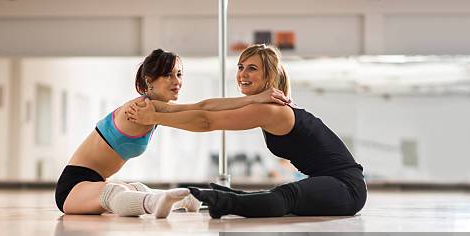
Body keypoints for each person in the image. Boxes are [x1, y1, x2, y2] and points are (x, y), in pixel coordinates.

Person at [128, 44, 367, 219]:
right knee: (281, 195)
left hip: (347, 188)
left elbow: (206, 122)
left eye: (252, 68)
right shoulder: (264, 104)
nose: (243, 74)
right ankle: (230, 197)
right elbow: (203, 107)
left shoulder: (274, 111)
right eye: (241, 67)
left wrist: (155, 117)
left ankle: (223, 201)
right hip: (331, 183)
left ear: (269, 76)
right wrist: (157, 106)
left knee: (286, 196)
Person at [55, 48, 289, 218]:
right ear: (150, 81)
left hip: (92, 183)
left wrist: (258, 98)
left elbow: (204, 106)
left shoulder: (153, 108)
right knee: (115, 192)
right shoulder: (142, 108)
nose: (177, 81)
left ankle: (186, 198)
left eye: (179, 74)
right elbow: (204, 110)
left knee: (135, 187)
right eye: (168, 75)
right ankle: (157, 202)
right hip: (73, 187)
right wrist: (257, 98)